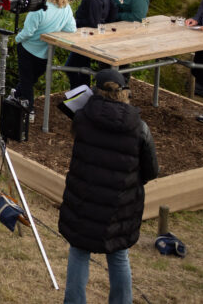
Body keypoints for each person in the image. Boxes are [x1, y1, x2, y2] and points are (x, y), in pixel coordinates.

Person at [58, 68, 158, 304]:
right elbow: (152, 170)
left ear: (95, 91)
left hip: (83, 201)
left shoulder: (82, 119)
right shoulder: (139, 126)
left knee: (79, 252)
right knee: (119, 255)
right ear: (124, 92)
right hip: (120, 205)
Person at [12, 0, 76, 106]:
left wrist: (17, 39)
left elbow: (28, 32)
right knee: (31, 79)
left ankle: (28, 109)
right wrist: (55, 28)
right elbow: (71, 29)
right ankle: (16, 95)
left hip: (28, 49)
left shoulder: (39, 8)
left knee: (26, 80)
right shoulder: (66, 8)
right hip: (46, 51)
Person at [68, 0, 116, 87]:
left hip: (86, 39)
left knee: (71, 67)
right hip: (89, 37)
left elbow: (92, 23)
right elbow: (113, 9)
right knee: (80, 68)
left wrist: (71, 22)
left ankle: (81, 94)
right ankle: (84, 92)